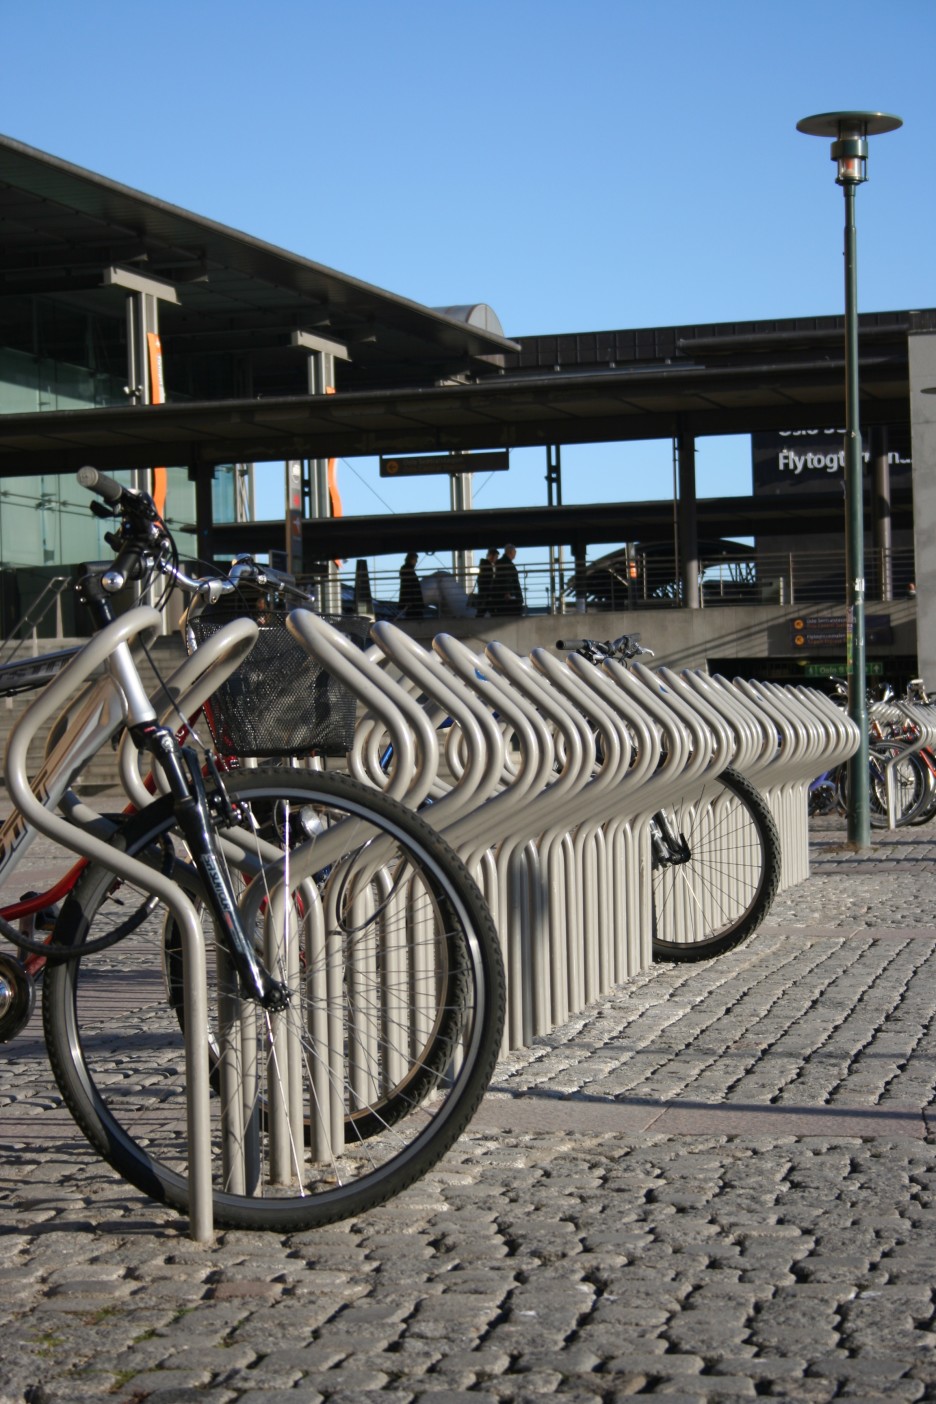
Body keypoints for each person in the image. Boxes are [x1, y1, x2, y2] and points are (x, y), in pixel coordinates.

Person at [493, 544, 523, 616]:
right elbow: (506, 578)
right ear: (510, 552)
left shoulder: (500, 562)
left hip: (504, 596)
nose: (515, 552)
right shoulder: (507, 563)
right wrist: (507, 592)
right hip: (508, 596)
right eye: (514, 551)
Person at [473, 547, 499, 617]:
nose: (496, 559)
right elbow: (486, 581)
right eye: (496, 557)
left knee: (482, 611)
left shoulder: (486, 565)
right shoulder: (487, 566)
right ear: (491, 556)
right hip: (486, 594)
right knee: (485, 611)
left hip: (486, 595)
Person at [398, 551, 424, 617]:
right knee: (414, 616)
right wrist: (408, 600)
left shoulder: (408, 569)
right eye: (415, 560)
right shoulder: (407, 569)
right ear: (410, 559)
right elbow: (407, 585)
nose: (416, 562)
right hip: (412, 602)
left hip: (413, 601)